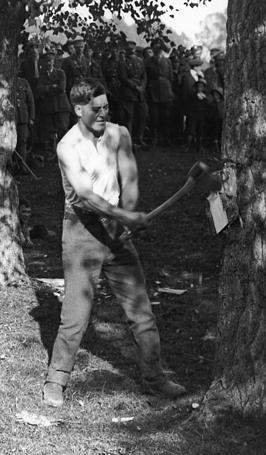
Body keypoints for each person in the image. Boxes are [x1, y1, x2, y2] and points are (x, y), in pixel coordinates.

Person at [41, 78, 186, 407]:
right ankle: (56, 380)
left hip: (117, 229)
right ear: (78, 110)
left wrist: (129, 215)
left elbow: (129, 178)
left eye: (107, 107)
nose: (103, 113)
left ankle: (154, 377)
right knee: (75, 314)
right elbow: (86, 196)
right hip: (81, 230)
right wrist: (125, 217)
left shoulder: (120, 134)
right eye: (96, 109)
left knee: (141, 310)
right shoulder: (67, 146)